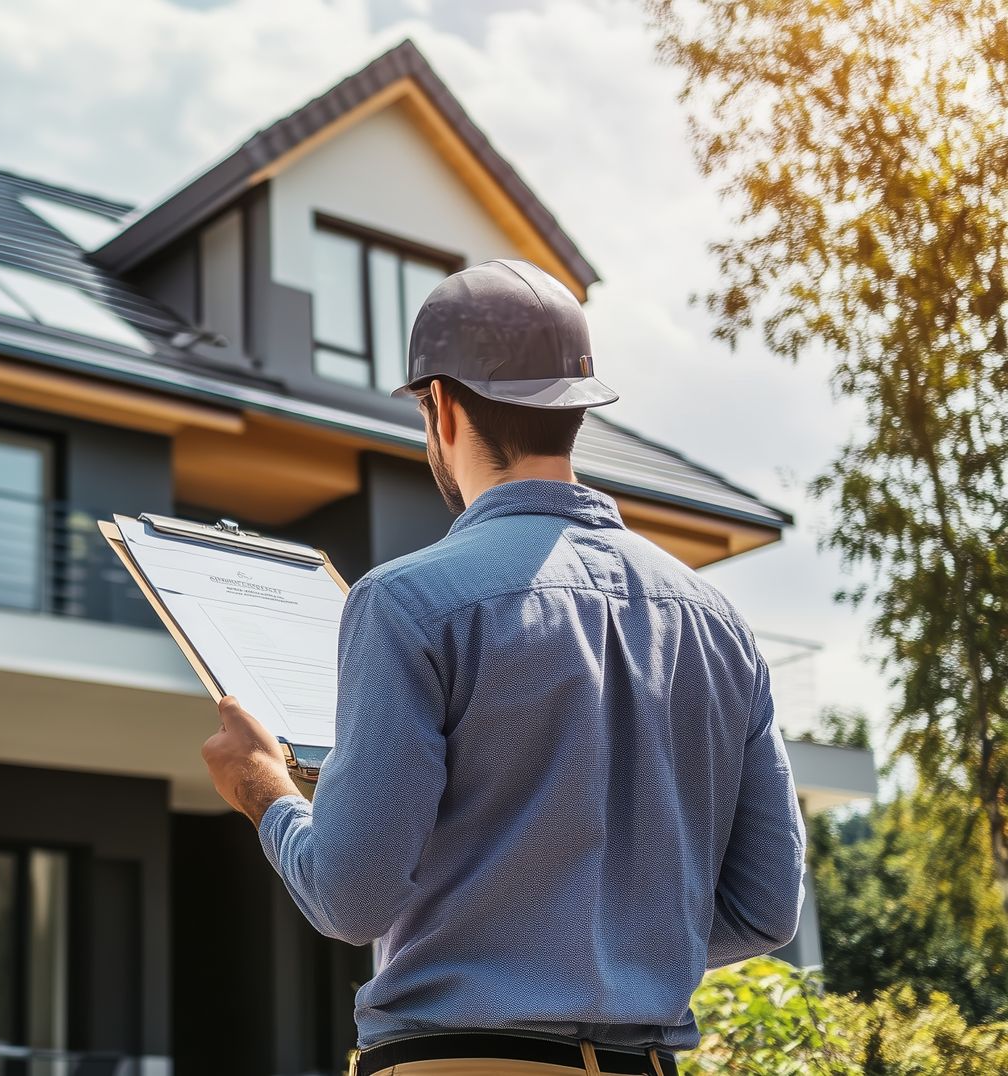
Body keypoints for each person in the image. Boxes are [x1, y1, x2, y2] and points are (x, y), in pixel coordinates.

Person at [199, 260, 806, 1076]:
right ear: (575, 410)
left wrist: (264, 792)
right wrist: (617, 946)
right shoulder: (719, 624)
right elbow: (767, 910)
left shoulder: (404, 605)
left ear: (441, 405)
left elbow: (350, 897)